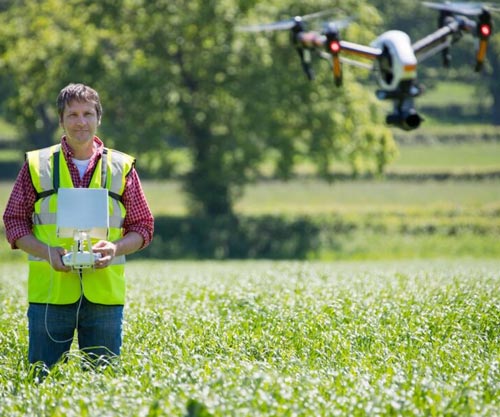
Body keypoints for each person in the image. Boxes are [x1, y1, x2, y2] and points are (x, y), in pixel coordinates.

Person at [2, 83, 154, 375]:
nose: (80, 122)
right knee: (41, 381)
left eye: (87, 113)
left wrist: (115, 248)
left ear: (99, 118)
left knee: (102, 383)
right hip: (50, 293)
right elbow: (14, 222)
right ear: (61, 120)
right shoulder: (37, 164)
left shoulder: (121, 166)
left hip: (104, 295)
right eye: (72, 114)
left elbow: (143, 226)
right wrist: (47, 252)